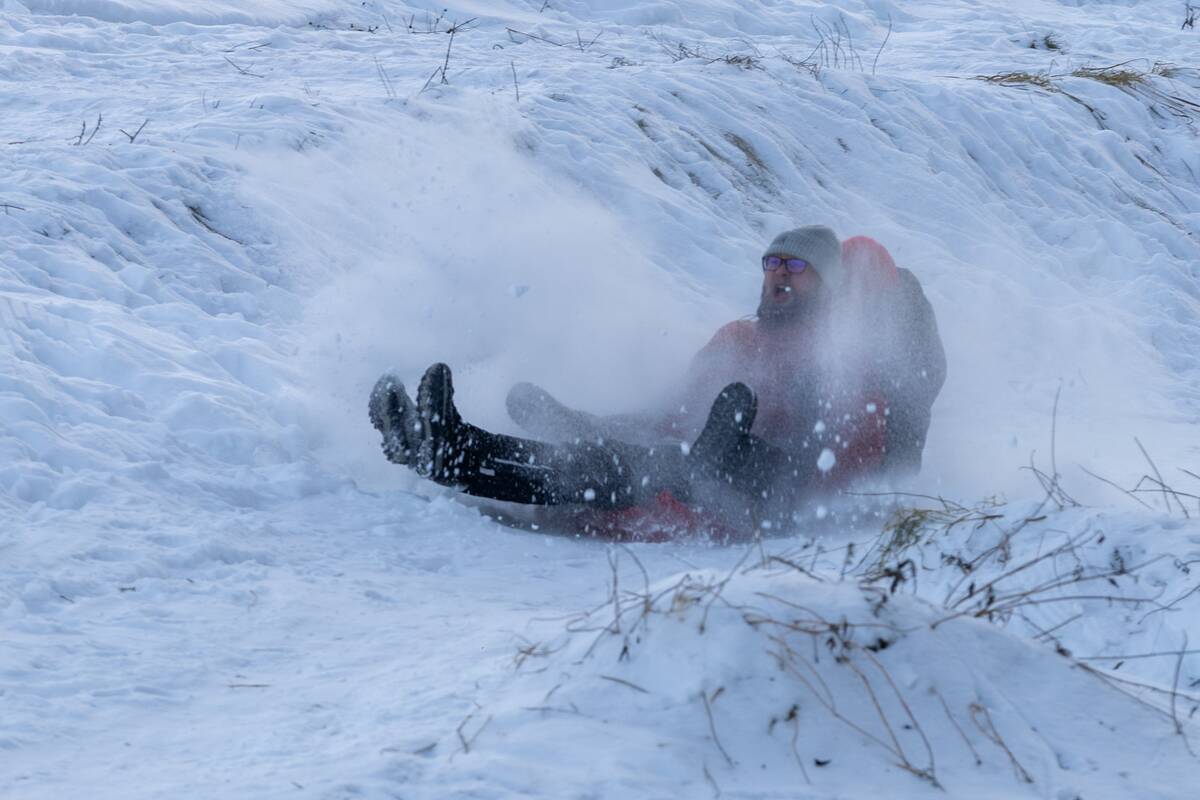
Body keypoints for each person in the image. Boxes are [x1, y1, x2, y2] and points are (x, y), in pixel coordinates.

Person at [369, 225, 945, 534]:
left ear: (831, 286)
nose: (778, 275)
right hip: (706, 465)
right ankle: (448, 445)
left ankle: (459, 456)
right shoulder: (740, 340)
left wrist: (744, 457)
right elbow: (673, 412)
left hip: (778, 495)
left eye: (797, 267)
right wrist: (588, 423)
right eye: (770, 263)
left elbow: (849, 463)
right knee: (639, 454)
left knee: (662, 467)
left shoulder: (847, 360)